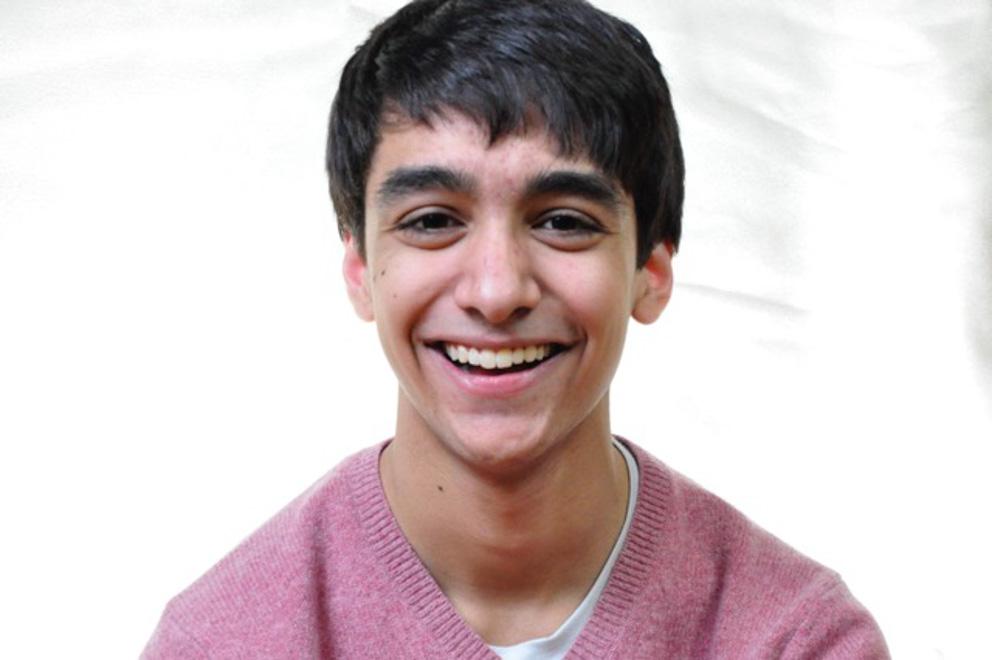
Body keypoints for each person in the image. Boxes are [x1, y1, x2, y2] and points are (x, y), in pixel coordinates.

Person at [143, 0, 889, 657]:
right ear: (360, 269)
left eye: (563, 221)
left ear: (652, 270)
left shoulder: (798, 641)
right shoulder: (220, 644)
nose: (497, 292)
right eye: (432, 221)